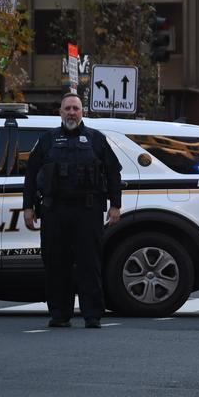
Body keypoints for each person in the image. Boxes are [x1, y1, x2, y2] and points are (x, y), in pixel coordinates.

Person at [22, 93, 123, 328]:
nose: (71, 113)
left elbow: (112, 173)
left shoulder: (96, 139)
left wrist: (115, 205)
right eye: (67, 108)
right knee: (56, 263)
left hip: (88, 210)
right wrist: (28, 207)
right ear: (60, 112)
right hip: (54, 210)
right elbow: (30, 175)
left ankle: (92, 315)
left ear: (82, 112)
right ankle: (59, 314)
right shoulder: (47, 140)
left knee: (89, 263)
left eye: (75, 109)